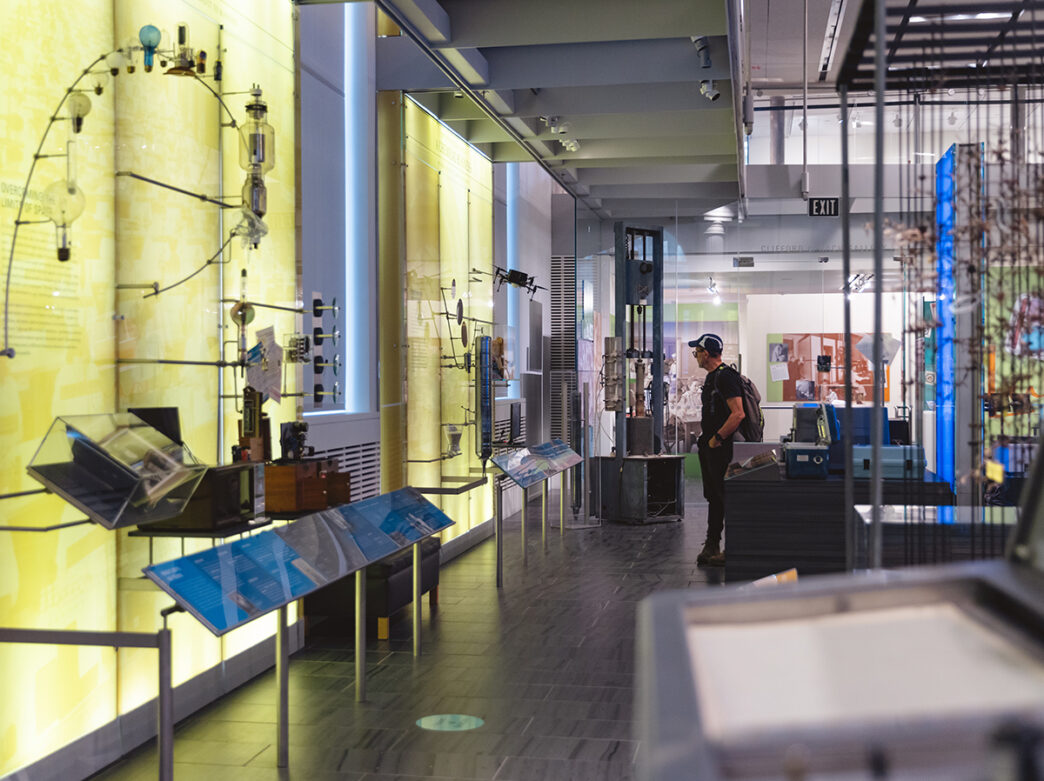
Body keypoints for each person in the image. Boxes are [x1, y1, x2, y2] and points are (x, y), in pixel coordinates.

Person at [690, 333, 745, 566]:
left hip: (722, 449)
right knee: (714, 497)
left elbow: (738, 413)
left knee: (724, 497)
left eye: (697, 352)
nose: (695, 357)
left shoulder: (725, 377)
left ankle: (732, 549)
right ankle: (712, 545)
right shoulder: (713, 378)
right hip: (711, 448)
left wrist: (718, 438)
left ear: (706, 353)